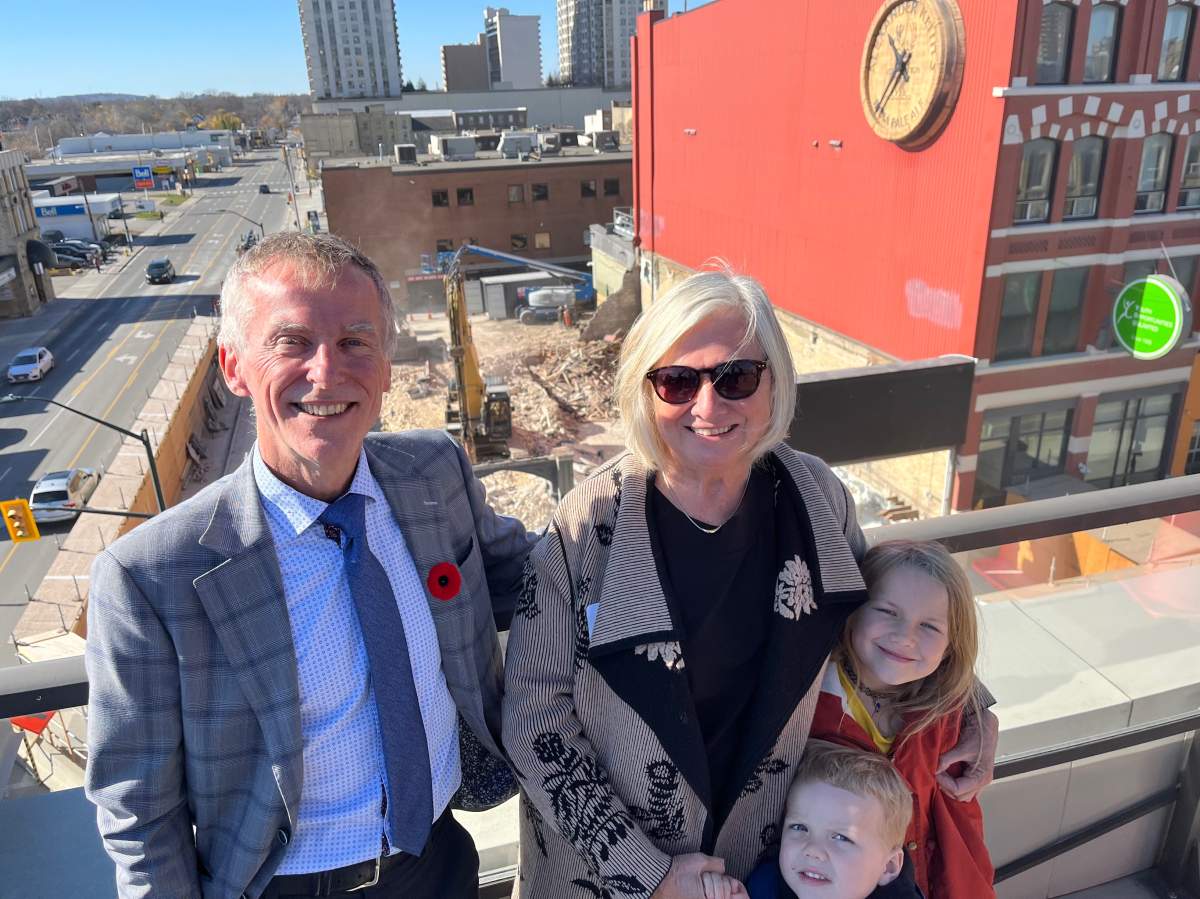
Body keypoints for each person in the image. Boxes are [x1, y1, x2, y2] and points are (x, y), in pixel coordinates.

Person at [501, 269, 999, 899]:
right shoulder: (588, 526)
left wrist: (971, 705)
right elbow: (533, 717)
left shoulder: (814, 498)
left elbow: (882, 624)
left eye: (735, 378)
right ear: (644, 391)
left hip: (771, 868)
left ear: (775, 384)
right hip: (606, 880)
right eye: (677, 381)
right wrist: (651, 876)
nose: (707, 407)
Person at [85, 232, 535, 899]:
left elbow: (534, 573)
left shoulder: (433, 474)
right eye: (292, 342)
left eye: (356, 341)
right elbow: (140, 815)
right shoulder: (153, 576)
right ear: (234, 366)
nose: (326, 373)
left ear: (385, 364)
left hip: (438, 863)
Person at [810, 540, 995, 898]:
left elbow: (957, 830)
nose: (904, 637)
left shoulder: (947, 717)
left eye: (929, 626)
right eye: (887, 611)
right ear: (853, 611)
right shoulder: (808, 706)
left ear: (949, 648)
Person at [733, 742, 922, 899]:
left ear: (888, 867)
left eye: (841, 837)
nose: (812, 850)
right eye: (800, 827)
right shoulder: (763, 887)